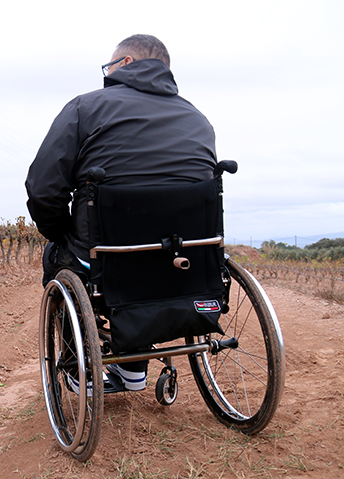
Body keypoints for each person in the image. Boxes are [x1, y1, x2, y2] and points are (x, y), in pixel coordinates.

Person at [25, 34, 217, 391]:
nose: (106, 73)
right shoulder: (199, 119)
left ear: (127, 63)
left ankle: (76, 367)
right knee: (146, 268)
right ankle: (133, 372)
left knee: (59, 258)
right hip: (186, 255)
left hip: (105, 253)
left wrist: (62, 233)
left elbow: (43, 189)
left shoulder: (85, 108)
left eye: (108, 65)